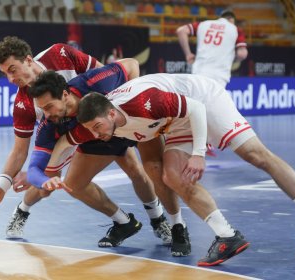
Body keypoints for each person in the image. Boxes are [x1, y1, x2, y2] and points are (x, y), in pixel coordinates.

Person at [76, 73, 295, 265]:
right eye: (92, 130)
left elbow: (195, 108)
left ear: (110, 113)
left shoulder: (142, 102)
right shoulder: (102, 121)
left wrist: (198, 154)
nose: (96, 135)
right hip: (177, 121)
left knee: (256, 155)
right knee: (172, 176)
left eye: (98, 127)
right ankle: (227, 237)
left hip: (203, 100)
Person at [0, 37, 172, 247]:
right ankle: (23, 210)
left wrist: (123, 111)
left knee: (136, 167)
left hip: (100, 118)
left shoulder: (60, 55)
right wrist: (1, 187)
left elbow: (107, 77)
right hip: (65, 132)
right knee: (49, 182)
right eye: (5, 73)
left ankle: (159, 219)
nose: (10, 79)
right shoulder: (24, 105)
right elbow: (19, 151)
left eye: (12, 70)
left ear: (28, 60)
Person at [26, 62, 190, 255]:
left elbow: (132, 64)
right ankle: (124, 221)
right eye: (42, 109)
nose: (46, 114)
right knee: (74, 184)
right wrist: (47, 178)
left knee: (153, 168)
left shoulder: (94, 81)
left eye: (49, 107)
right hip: (97, 136)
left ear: (64, 94)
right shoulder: (49, 123)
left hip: (130, 120)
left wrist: (132, 97)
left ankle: (173, 224)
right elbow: (37, 166)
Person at [176, 10, 248, 87]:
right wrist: (235, 60)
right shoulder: (235, 29)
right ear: (231, 20)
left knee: (197, 98)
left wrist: (188, 54)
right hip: (219, 75)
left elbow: (181, 31)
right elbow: (242, 54)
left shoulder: (204, 24)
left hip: (199, 72)